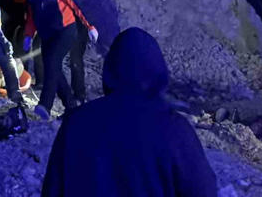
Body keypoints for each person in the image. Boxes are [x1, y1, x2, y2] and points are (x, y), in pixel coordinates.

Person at [42, 27, 218, 196]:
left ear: (110, 68)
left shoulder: (76, 123)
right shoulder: (175, 129)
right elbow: (203, 190)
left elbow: (53, 190)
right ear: (158, 71)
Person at [22, 0, 97, 120]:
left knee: (52, 62)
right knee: (53, 67)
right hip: (47, 34)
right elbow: (31, 14)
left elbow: (77, 5)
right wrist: (28, 35)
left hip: (65, 30)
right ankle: (70, 107)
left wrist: (90, 26)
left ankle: (44, 106)